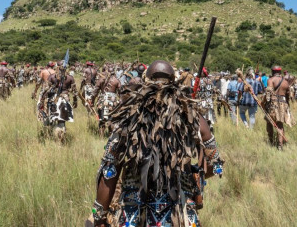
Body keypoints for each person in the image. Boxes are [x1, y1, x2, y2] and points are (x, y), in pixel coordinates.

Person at [91, 60, 224, 227]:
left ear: (146, 80)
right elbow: (215, 164)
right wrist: (193, 173)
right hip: (181, 213)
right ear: (174, 81)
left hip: (134, 212)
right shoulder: (193, 117)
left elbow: (110, 170)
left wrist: (99, 217)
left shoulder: (129, 115)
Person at [40, 61, 78, 142]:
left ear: (57, 67)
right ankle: (59, 137)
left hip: (53, 100)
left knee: (51, 118)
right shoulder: (70, 78)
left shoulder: (52, 77)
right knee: (61, 121)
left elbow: (45, 90)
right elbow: (75, 93)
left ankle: (54, 136)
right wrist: (75, 102)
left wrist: (42, 100)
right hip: (64, 100)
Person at [264, 65, 294, 150]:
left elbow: (268, 93)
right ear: (280, 72)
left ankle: (271, 142)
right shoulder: (285, 82)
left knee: (269, 122)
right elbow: (288, 95)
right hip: (283, 104)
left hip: (272, 105)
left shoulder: (271, 80)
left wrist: (264, 102)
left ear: (272, 72)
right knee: (280, 125)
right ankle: (280, 145)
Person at [91, 66, 122, 133]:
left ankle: (101, 137)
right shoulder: (116, 80)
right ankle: (110, 137)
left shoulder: (101, 80)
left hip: (102, 101)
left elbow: (95, 92)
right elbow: (121, 93)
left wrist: (92, 102)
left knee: (102, 120)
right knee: (111, 120)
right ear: (114, 72)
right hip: (112, 102)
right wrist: (120, 103)